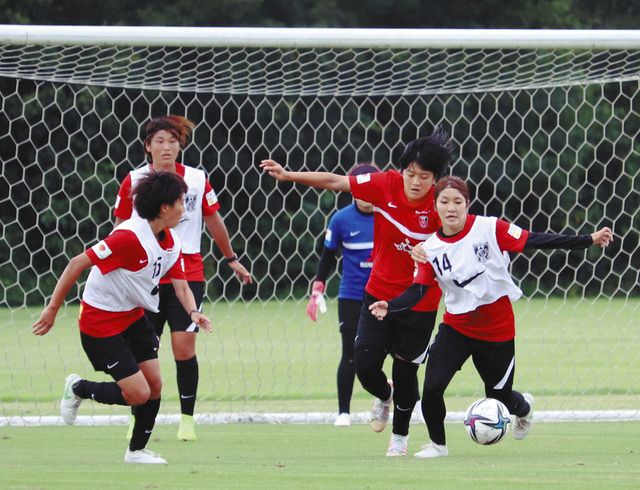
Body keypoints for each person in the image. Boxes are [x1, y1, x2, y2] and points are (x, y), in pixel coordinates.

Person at [369, 175, 613, 458]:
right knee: (432, 388)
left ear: (467, 204)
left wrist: (589, 239)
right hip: (456, 327)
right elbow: (419, 289)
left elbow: (534, 240)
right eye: (444, 202)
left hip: (496, 330)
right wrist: (391, 305)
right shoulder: (430, 249)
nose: (451, 208)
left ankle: (525, 409)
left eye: (457, 202)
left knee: (501, 397)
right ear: (435, 207)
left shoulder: (489, 228)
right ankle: (438, 446)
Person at [261, 126, 455, 456]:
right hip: (377, 293)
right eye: (411, 173)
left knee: (407, 371)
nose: (416, 182)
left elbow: (462, 237)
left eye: (424, 176)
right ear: (402, 171)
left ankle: (400, 438)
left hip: (420, 300)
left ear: (434, 178)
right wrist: (288, 175)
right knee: (364, 366)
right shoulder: (385, 184)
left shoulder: (441, 203)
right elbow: (336, 181)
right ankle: (383, 394)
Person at [32, 171, 212, 464]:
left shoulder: (172, 241)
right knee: (138, 393)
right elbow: (77, 262)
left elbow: (181, 285)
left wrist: (193, 312)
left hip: (131, 316)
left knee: (154, 385)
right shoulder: (129, 237)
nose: (185, 207)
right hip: (100, 321)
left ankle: (136, 452)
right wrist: (52, 309)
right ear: (164, 208)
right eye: (181, 201)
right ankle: (77, 388)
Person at [113, 115, 252, 441]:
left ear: (180, 145)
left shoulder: (196, 179)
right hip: (144, 274)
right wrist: (118, 265)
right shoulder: (133, 180)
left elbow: (214, 220)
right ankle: (138, 416)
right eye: (159, 141)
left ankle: (187, 419)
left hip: (187, 273)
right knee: (142, 353)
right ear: (147, 146)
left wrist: (231, 258)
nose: (166, 147)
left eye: (172, 141)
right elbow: (119, 225)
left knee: (183, 347)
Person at [307, 162, 379, 427]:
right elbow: (327, 257)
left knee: (400, 351)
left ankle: (411, 404)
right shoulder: (340, 220)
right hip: (352, 296)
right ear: (351, 190)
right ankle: (343, 412)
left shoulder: (390, 216)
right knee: (350, 352)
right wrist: (318, 288)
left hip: (385, 295)